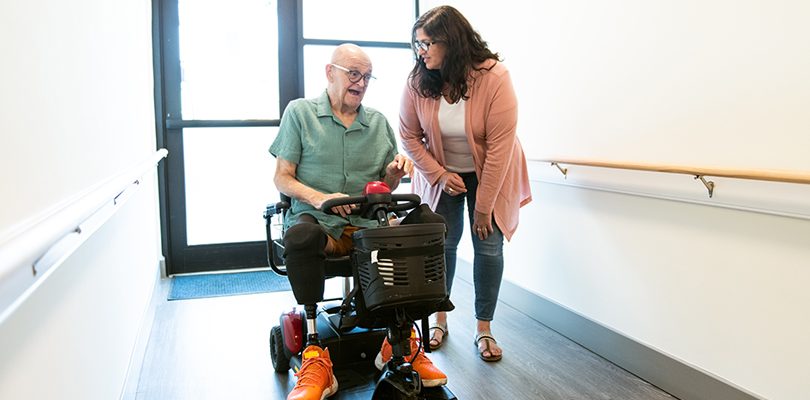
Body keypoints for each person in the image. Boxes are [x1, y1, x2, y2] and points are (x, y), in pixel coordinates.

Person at [269, 43, 447, 400]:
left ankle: (399, 341)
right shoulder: (300, 113)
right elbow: (282, 177)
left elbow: (387, 184)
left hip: (370, 229)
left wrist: (395, 173)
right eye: (353, 74)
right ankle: (316, 355)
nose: (361, 82)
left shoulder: (378, 122)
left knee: (427, 221)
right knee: (301, 235)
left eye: (367, 76)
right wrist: (321, 198)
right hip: (318, 223)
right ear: (329, 72)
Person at [398, 6, 532, 363]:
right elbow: (408, 137)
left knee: (488, 246)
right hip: (442, 172)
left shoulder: (494, 77)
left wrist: (484, 207)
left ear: (452, 42)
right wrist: (439, 175)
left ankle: (483, 328)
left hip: (490, 171)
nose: (421, 51)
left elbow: (501, 147)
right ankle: (439, 319)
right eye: (417, 43)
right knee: (442, 244)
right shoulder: (418, 80)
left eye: (428, 43)